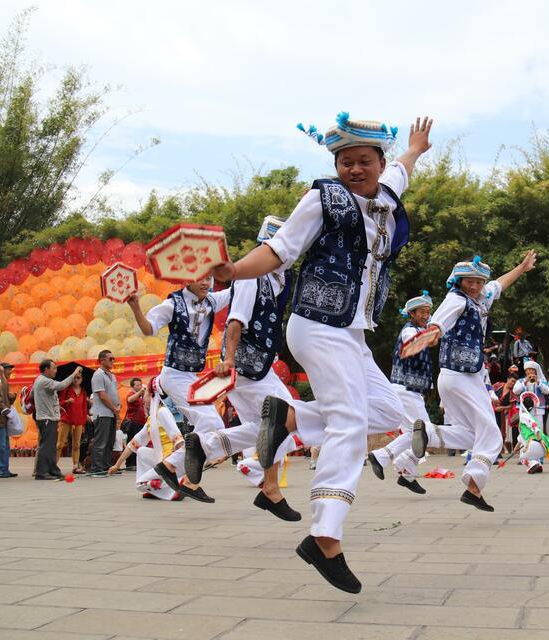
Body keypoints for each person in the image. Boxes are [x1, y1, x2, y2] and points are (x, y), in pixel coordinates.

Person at [210, 113, 434, 593]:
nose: (355, 169)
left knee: (388, 409)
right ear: (337, 165)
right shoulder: (322, 198)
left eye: (364, 161)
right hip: (316, 324)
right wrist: (233, 271)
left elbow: (403, 170)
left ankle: (290, 421)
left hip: (354, 333)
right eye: (345, 162)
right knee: (350, 422)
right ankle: (326, 534)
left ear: (378, 163)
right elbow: (279, 250)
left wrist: (416, 148)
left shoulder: (387, 193)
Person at [181, 215, 301, 518]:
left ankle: (207, 447)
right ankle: (269, 490)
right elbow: (237, 319)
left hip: (259, 366)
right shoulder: (252, 276)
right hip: (246, 367)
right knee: (282, 420)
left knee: (265, 428)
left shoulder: (277, 278)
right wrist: (229, 359)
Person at [406, 252, 538, 512]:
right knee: (491, 435)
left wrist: (521, 268)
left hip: (463, 377)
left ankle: (430, 433)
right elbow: (438, 322)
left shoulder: (482, 296)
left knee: (470, 434)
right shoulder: (456, 299)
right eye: (469, 281)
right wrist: (429, 336)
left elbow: (500, 284)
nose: (475, 286)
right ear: (458, 281)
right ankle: (474, 486)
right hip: (460, 376)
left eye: (478, 281)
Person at [128, 274, 231, 501]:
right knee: (211, 423)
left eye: (210, 278)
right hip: (174, 375)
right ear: (187, 280)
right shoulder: (173, 304)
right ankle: (175, 472)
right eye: (201, 279)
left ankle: (179, 476)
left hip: (192, 376)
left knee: (213, 425)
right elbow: (149, 329)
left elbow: (238, 290)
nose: (206, 283)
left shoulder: (212, 301)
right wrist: (135, 307)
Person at [369, 291, 437, 494]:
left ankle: (405, 473)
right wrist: (431, 334)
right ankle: (384, 456)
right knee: (426, 432)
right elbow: (413, 342)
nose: (426, 315)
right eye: (422, 312)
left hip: (411, 391)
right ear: (412, 314)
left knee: (416, 433)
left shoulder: (419, 329)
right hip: (405, 390)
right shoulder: (409, 331)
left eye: (428, 312)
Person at [108, 378, 186, 501]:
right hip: (161, 457)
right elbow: (133, 444)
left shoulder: (163, 412)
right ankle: (156, 488)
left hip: (170, 460)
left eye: (145, 395)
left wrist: (183, 461)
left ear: (152, 396)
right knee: (141, 451)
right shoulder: (151, 419)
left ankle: (172, 485)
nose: (143, 399)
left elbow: (178, 439)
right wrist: (117, 465)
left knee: (140, 484)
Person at [32, 360, 82, 480]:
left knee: (50, 446)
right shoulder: (44, 380)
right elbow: (61, 386)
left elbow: (33, 395)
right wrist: (74, 373)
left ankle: (52, 470)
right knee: (46, 446)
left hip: (48, 417)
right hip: (46, 419)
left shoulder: (40, 380)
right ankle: (42, 472)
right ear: (46, 370)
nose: (56, 370)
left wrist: (51, 405)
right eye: (53, 368)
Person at [89, 350, 120, 477]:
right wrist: (113, 408)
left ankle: (107, 466)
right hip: (103, 413)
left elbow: (112, 394)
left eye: (113, 358)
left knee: (109, 441)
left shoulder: (112, 376)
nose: (113, 361)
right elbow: (102, 395)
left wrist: (117, 407)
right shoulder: (98, 375)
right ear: (102, 360)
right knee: (101, 442)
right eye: (110, 359)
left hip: (112, 412)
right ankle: (96, 468)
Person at [57, 369, 88, 474]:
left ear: (82, 379)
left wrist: (83, 423)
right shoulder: (65, 389)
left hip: (78, 421)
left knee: (77, 445)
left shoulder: (83, 391)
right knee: (60, 444)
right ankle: (54, 466)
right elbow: (58, 403)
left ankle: (75, 466)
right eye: (74, 377)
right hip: (66, 420)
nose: (76, 380)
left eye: (78, 378)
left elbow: (84, 409)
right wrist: (66, 402)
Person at [0, 363, 17, 478]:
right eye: (8, 369)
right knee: (0, 446)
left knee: (5, 446)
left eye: (11, 369)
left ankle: (4, 469)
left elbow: (3, 400)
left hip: (3, 420)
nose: (11, 371)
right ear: (2, 370)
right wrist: (5, 409)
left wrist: (11, 397)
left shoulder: (4, 382)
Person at [512, 360, 549, 427]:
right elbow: (515, 391)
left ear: (535, 371)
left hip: (538, 410)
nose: (530, 372)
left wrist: (538, 382)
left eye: (532, 370)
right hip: (525, 409)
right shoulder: (520, 381)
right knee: (527, 430)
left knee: (539, 429)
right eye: (528, 370)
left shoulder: (541, 381)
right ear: (526, 371)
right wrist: (525, 382)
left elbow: (547, 391)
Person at [122, 378, 149, 467]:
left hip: (141, 422)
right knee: (132, 441)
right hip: (134, 422)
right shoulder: (132, 394)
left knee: (139, 442)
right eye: (137, 385)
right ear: (132, 386)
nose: (139, 386)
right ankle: (130, 463)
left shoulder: (140, 396)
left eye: (140, 384)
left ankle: (136, 462)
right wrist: (139, 393)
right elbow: (129, 400)